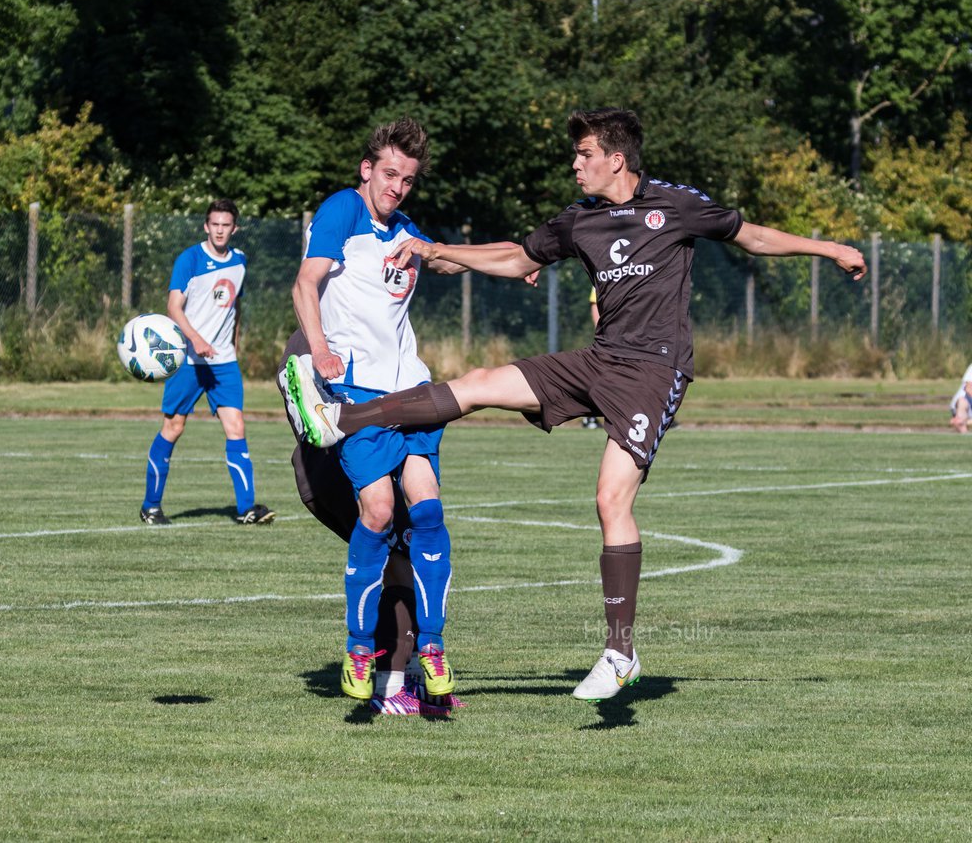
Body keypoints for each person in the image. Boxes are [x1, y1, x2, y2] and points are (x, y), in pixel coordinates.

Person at [285, 107, 867, 702]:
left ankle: (620, 652)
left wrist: (829, 248)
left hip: (653, 371)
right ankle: (343, 418)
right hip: (599, 359)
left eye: (584, 155)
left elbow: (753, 236)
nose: (575, 164)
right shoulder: (579, 220)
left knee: (609, 498)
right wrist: (444, 251)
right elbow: (516, 258)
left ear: (615, 160)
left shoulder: (677, 204)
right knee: (483, 381)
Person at [288, 117, 475, 703]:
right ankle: (358, 646)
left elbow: (441, 259)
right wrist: (319, 350)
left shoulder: (408, 228)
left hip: (411, 392)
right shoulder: (344, 210)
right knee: (377, 511)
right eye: (390, 174)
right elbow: (305, 284)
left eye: (409, 179)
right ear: (367, 170)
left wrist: (513, 262)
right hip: (358, 397)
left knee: (428, 509)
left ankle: (434, 646)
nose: (397, 187)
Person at [279, 331, 465, 715]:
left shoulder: (372, 330)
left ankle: (413, 679)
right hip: (330, 475)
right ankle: (389, 684)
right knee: (396, 558)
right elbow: (312, 423)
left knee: (410, 553)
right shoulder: (313, 340)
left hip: (372, 467)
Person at [140, 199, 275, 526]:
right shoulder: (190, 259)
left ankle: (245, 510)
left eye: (225, 225)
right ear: (206, 226)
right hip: (188, 360)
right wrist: (197, 340)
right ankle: (151, 507)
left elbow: (234, 308)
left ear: (234, 228)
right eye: (214, 224)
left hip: (223, 363)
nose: (219, 230)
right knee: (173, 427)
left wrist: (234, 344)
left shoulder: (240, 261)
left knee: (236, 427)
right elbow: (174, 307)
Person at [580, 287, 601, 429]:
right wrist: (601, 330)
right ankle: (589, 418)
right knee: (599, 378)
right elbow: (595, 302)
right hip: (612, 340)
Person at [950, 363, 972, 434]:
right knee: (962, 402)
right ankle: (961, 424)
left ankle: (961, 421)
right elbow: (969, 389)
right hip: (965, 402)